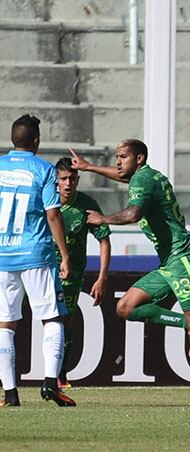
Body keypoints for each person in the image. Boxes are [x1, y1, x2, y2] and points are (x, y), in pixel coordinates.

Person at [70, 140, 190, 397]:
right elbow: (122, 177)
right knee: (126, 307)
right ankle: (186, 326)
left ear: (140, 158)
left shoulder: (142, 180)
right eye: (117, 157)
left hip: (184, 258)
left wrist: (104, 218)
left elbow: (134, 214)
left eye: (123, 157)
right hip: (170, 262)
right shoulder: (145, 176)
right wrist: (89, 167)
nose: (118, 162)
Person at [0, 114, 75, 407]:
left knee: (5, 324)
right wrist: (65, 254)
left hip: (3, 255)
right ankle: (49, 383)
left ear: (12, 139)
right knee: (52, 317)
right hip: (36, 254)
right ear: (36, 140)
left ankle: (10, 393)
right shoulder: (43, 170)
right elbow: (53, 214)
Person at [52, 157, 112, 388]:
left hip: (72, 275)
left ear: (78, 179)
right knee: (13, 318)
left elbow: (104, 241)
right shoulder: (45, 201)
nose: (68, 183)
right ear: (56, 180)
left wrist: (102, 277)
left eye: (72, 178)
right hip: (41, 271)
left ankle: (59, 374)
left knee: (63, 324)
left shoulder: (87, 204)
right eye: (64, 178)